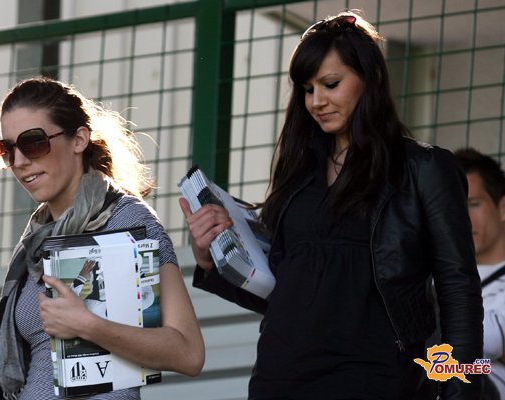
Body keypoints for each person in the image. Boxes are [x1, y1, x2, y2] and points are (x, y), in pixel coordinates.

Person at [179, 10, 483, 399]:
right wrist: (211, 259)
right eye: (307, 89)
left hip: (377, 382)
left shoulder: (424, 170)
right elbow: (283, 294)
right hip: (279, 381)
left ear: (371, 76)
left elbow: (459, 292)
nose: (316, 101)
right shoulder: (298, 177)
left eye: (331, 84)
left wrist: (460, 392)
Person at [0, 76, 205, 400]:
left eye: (33, 142)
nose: (19, 162)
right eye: (7, 149)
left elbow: (189, 353)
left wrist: (87, 325)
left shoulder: (128, 221)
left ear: (79, 140)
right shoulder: (34, 242)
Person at [455, 148, 505, 399]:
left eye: (473, 204)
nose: (462, 218)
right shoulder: (429, 279)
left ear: (503, 208)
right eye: (452, 207)